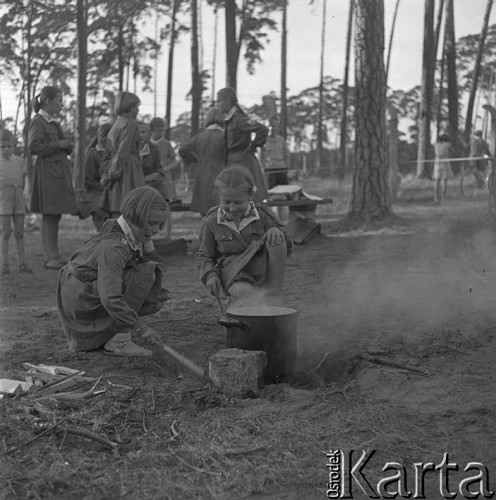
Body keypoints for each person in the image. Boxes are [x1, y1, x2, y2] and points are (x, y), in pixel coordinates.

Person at [57, 186, 168, 356]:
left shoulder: (117, 227)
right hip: (80, 300)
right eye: (152, 223)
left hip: (80, 291)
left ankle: (109, 333)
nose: (157, 230)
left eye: (159, 224)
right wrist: (141, 328)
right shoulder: (115, 248)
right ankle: (120, 341)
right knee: (145, 275)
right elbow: (110, 298)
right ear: (134, 216)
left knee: (154, 299)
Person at [196, 166, 292, 305]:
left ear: (250, 196)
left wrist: (277, 231)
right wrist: (210, 275)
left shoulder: (264, 215)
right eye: (227, 202)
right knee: (244, 293)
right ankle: (242, 301)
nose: (233, 208)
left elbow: (287, 247)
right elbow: (204, 255)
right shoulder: (211, 220)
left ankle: (273, 295)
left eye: (238, 202)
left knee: (276, 237)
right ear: (218, 197)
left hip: (263, 271)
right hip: (235, 274)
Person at [29, 85, 77, 270]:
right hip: (48, 173)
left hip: (57, 173)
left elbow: (58, 145)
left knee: (55, 214)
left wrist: (67, 145)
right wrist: (59, 144)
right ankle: (49, 258)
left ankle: (55, 255)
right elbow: (33, 147)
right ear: (47, 101)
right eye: (59, 100)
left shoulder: (53, 122)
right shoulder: (38, 121)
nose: (62, 105)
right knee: (49, 215)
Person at [216, 87, 269, 202]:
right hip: (234, 161)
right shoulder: (230, 119)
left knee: (246, 192)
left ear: (228, 100)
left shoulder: (239, 119)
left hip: (241, 160)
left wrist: (254, 146)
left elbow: (263, 129)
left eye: (219, 101)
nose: (218, 104)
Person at [100, 91, 145, 218]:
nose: (138, 110)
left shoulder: (115, 126)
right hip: (128, 170)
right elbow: (123, 153)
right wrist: (113, 173)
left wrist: (108, 173)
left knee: (118, 209)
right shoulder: (131, 125)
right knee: (133, 208)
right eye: (136, 106)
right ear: (128, 107)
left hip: (114, 168)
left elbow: (109, 152)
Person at [179, 108, 226, 215]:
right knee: (220, 202)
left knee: (204, 204)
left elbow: (183, 150)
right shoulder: (225, 136)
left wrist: (195, 160)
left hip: (202, 172)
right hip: (221, 170)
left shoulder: (200, 137)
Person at [0, 129, 33, 275]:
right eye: (2, 146)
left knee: (19, 232)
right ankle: (4, 264)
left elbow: (24, 180)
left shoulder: (20, 162)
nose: (6, 149)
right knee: (5, 232)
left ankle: (22, 263)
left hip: (18, 199)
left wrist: (24, 196)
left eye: (9, 146)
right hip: (4, 200)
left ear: (14, 146)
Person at [79, 122, 112, 231]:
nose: (105, 140)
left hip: (110, 191)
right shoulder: (92, 155)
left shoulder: (114, 154)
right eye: (103, 136)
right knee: (100, 207)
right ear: (98, 137)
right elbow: (88, 182)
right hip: (94, 192)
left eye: (109, 137)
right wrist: (104, 186)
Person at [262, 116, 290, 189]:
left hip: (282, 168)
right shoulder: (264, 141)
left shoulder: (281, 140)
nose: (271, 128)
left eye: (273, 126)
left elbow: (286, 154)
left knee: (285, 191)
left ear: (277, 127)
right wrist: (263, 168)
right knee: (272, 192)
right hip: (270, 170)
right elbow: (261, 157)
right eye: (270, 126)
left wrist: (287, 167)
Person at [433, 134, 453, 204]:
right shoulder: (447, 145)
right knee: (444, 181)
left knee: (437, 181)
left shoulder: (435, 144)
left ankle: (436, 197)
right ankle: (444, 197)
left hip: (437, 162)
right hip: (445, 162)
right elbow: (452, 151)